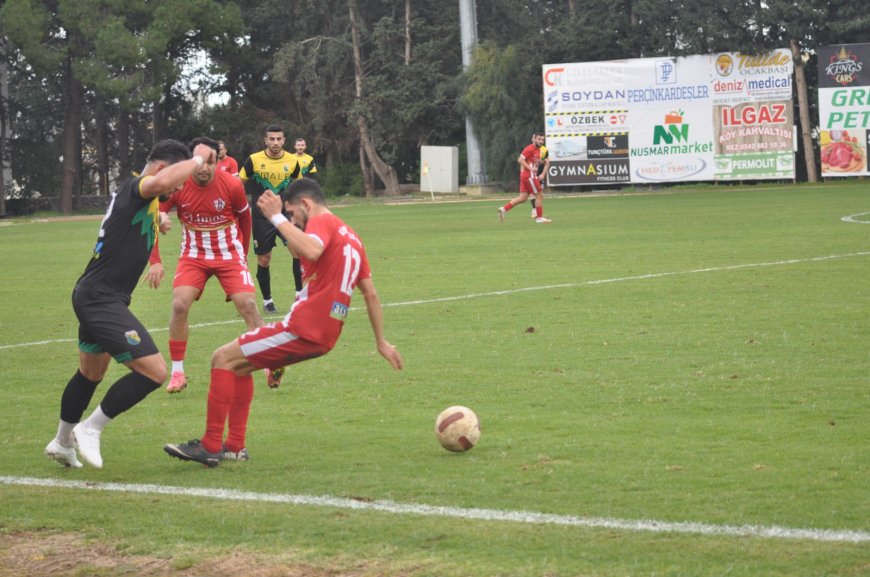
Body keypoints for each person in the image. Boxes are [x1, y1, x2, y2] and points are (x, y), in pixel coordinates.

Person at [164, 178, 404, 467]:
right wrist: (381, 341)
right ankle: (234, 446)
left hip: (304, 327)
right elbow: (371, 294)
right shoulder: (352, 235)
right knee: (241, 365)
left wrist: (276, 217)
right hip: (325, 333)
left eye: (292, 213)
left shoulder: (321, 223)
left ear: (305, 204)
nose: (292, 220)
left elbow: (313, 250)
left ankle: (210, 445)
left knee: (221, 358)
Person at [44, 139, 216, 470]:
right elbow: (161, 184)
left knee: (90, 373)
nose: (177, 190)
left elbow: (148, 209)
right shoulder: (140, 186)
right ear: (164, 168)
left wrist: (160, 222)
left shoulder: (140, 197)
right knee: (155, 372)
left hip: (96, 294)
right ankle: (90, 429)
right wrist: (197, 159)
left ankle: (62, 442)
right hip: (100, 299)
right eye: (178, 182)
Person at [145, 137, 284, 394]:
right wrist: (155, 261)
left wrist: (241, 255)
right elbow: (155, 217)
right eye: (201, 162)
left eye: (211, 161)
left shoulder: (231, 184)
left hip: (228, 255)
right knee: (179, 304)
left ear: (217, 161)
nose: (205, 168)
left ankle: (270, 362)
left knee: (248, 305)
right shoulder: (178, 184)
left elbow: (244, 219)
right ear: (191, 161)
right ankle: (177, 373)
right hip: (193, 256)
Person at [239, 125, 298, 314]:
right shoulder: (254, 160)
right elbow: (239, 184)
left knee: (297, 251)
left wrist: (298, 210)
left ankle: (299, 297)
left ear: (284, 140)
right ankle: (267, 301)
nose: (275, 142)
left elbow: (299, 186)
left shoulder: (292, 160)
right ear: (265, 140)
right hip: (261, 217)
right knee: (264, 259)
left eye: (278, 139)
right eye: (271, 139)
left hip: (285, 215)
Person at [497, 132, 551, 224]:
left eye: (542, 140)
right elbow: (520, 160)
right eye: (539, 139)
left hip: (526, 176)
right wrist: (530, 168)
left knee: (522, 198)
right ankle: (539, 218)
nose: (541, 141)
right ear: (534, 139)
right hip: (529, 176)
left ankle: (503, 209)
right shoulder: (530, 148)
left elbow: (533, 161)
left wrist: (542, 162)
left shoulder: (538, 150)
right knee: (539, 195)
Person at [288, 137, 318, 294]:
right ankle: (299, 287)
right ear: (295, 145)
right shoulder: (290, 159)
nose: (300, 146)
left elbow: (313, 180)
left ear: (305, 146)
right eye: (298, 144)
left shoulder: (309, 160)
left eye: (302, 144)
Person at [530, 138, 549, 219]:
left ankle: (537, 213)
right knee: (533, 193)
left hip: (540, 174)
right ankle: (534, 211)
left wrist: (543, 174)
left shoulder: (544, 150)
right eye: (535, 138)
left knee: (540, 195)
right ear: (533, 139)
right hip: (531, 175)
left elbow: (547, 163)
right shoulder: (529, 149)